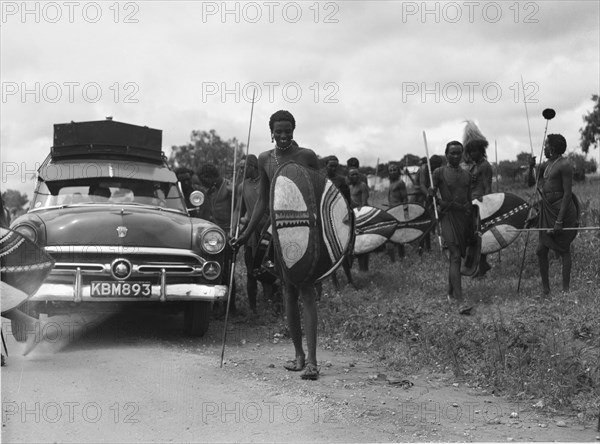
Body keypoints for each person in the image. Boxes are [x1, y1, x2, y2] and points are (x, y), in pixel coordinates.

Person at [232, 110, 320, 380]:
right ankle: (298, 355)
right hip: (279, 232)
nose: (283, 135)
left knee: (306, 291)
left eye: (287, 130)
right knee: (288, 292)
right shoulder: (263, 159)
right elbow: (262, 201)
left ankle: (314, 362)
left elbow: (319, 191)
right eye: (278, 130)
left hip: (304, 230)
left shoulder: (307, 156)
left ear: (294, 129)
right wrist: (246, 235)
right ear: (271, 131)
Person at [528, 134, 579, 296]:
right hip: (547, 210)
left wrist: (559, 220)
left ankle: (565, 290)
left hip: (561, 211)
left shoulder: (564, 165)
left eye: (546, 145)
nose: (544, 148)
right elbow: (531, 183)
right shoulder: (546, 165)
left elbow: (567, 194)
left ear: (552, 148)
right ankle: (546, 290)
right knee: (541, 251)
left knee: (564, 249)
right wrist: (531, 167)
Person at [430, 141, 474, 305]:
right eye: (452, 153)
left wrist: (471, 219)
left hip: (464, 219)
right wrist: (432, 193)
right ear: (446, 154)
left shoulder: (467, 174)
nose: (455, 156)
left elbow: (469, 199)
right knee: (455, 256)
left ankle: (450, 293)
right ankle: (460, 300)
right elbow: (433, 198)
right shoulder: (439, 172)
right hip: (448, 216)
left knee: (458, 257)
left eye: (458, 153)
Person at [236, 155, 280, 315]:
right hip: (252, 233)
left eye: (243, 167)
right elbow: (239, 210)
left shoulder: (267, 182)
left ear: (253, 166)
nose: (240, 170)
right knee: (250, 270)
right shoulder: (242, 186)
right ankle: (253, 308)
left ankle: (273, 304)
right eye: (239, 167)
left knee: (270, 268)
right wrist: (237, 229)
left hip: (269, 232)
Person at [197, 163, 238, 315]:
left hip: (228, 235)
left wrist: (234, 230)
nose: (203, 183)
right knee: (214, 270)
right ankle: (214, 305)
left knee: (227, 272)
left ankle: (230, 307)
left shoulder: (229, 188)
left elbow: (238, 208)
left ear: (209, 177)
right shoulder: (211, 191)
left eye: (203, 180)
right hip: (214, 238)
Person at [324, 156, 356, 290]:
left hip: (339, 218)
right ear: (326, 165)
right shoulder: (320, 180)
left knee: (343, 250)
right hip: (325, 218)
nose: (333, 168)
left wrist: (348, 216)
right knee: (330, 251)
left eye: (335, 166)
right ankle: (335, 283)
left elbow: (347, 200)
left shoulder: (341, 180)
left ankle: (349, 280)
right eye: (331, 165)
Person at [465, 138, 493, 277]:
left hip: (480, 204)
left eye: (473, 152)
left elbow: (488, 187)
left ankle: (482, 267)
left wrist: (487, 206)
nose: (470, 155)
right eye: (469, 152)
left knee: (480, 236)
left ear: (480, 151)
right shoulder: (474, 166)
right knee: (473, 236)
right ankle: (479, 266)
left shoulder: (485, 166)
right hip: (472, 203)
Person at [416, 155, 443, 254]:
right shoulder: (424, 169)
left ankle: (428, 247)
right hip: (420, 197)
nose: (437, 168)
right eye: (435, 165)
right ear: (430, 164)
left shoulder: (435, 171)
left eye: (438, 166)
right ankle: (420, 245)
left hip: (429, 197)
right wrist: (428, 194)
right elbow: (422, 185)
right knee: (423, 222)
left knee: (430, 222)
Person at [348, 167, 370, 272]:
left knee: (363, 243)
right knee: (351, 244)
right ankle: (350, 268)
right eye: (352, 175)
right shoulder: (349, 187)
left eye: (356, 174)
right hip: (352, 217)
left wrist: (356, 208)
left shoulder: (362, 186)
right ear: (348, 177)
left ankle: (363, 269)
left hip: (361, 217)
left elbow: (364, 204)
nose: (355, 176)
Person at [386, 162, 407, 262]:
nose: (393, 172)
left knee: (399, 236)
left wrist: (406, 214)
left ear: (398, 171)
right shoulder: (391, 183)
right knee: (391, 236)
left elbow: (405, 199)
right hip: (391, 212)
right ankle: (393, 260)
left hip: (398, 212)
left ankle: (402, 256)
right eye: (390, 170)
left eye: (394, 170)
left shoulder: (400, 183)